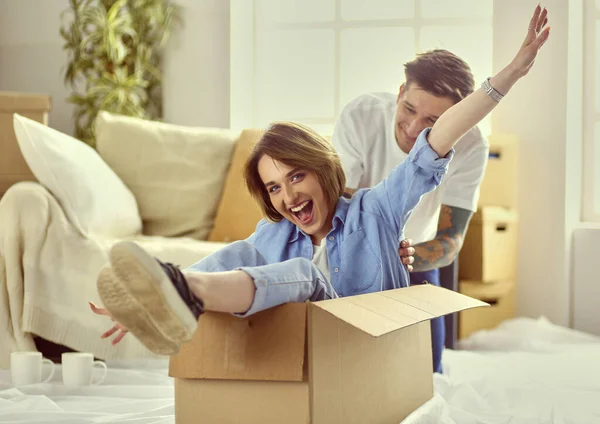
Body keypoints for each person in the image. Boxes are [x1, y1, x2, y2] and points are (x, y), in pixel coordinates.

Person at [91, 6, 551, 361]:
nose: (287, 196)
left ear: (322, 170)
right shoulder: (275, 235)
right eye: (273, 188)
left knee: (327, 290)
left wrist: (509, 74)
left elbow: (439, 149)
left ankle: (186, 292)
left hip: (378, 337)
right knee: (237, 263)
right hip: (317, 353)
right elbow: (223, 263)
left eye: (295, 177)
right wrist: (142, 302)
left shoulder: (377, 211)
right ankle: (181, 291)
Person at [331, 49, 493, 373]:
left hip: (415, 262)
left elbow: (449, 241)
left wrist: (401, 259)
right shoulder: (362, 115)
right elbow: (338, 210)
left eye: (432, 122)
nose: (413, 129)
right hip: (352, 256)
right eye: (409, 109)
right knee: (346, 369)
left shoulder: (472, 145)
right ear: (401, 92)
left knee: (427, 375)